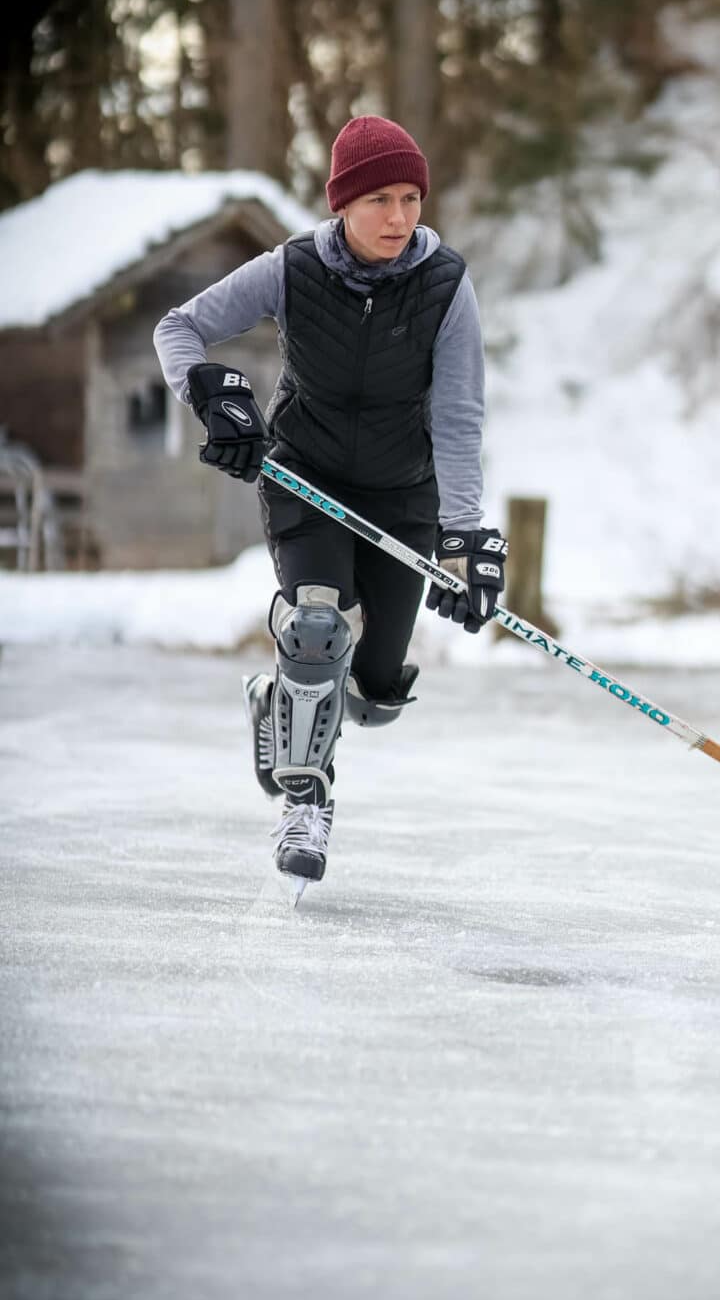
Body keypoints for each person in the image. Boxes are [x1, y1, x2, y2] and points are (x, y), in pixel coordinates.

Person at [154, 116, 507, 892]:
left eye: (411, 197)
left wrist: (464, 536)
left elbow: (458, 417)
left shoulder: (445, 284)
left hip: (402, 497)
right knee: (317, 627)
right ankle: (305, 804)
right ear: (342, 203)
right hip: (304, 481)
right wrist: (211, 396)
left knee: (375, 692)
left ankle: (279, 699)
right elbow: (179, 329)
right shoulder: (290, 269)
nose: (399, 217)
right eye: (379, 199)